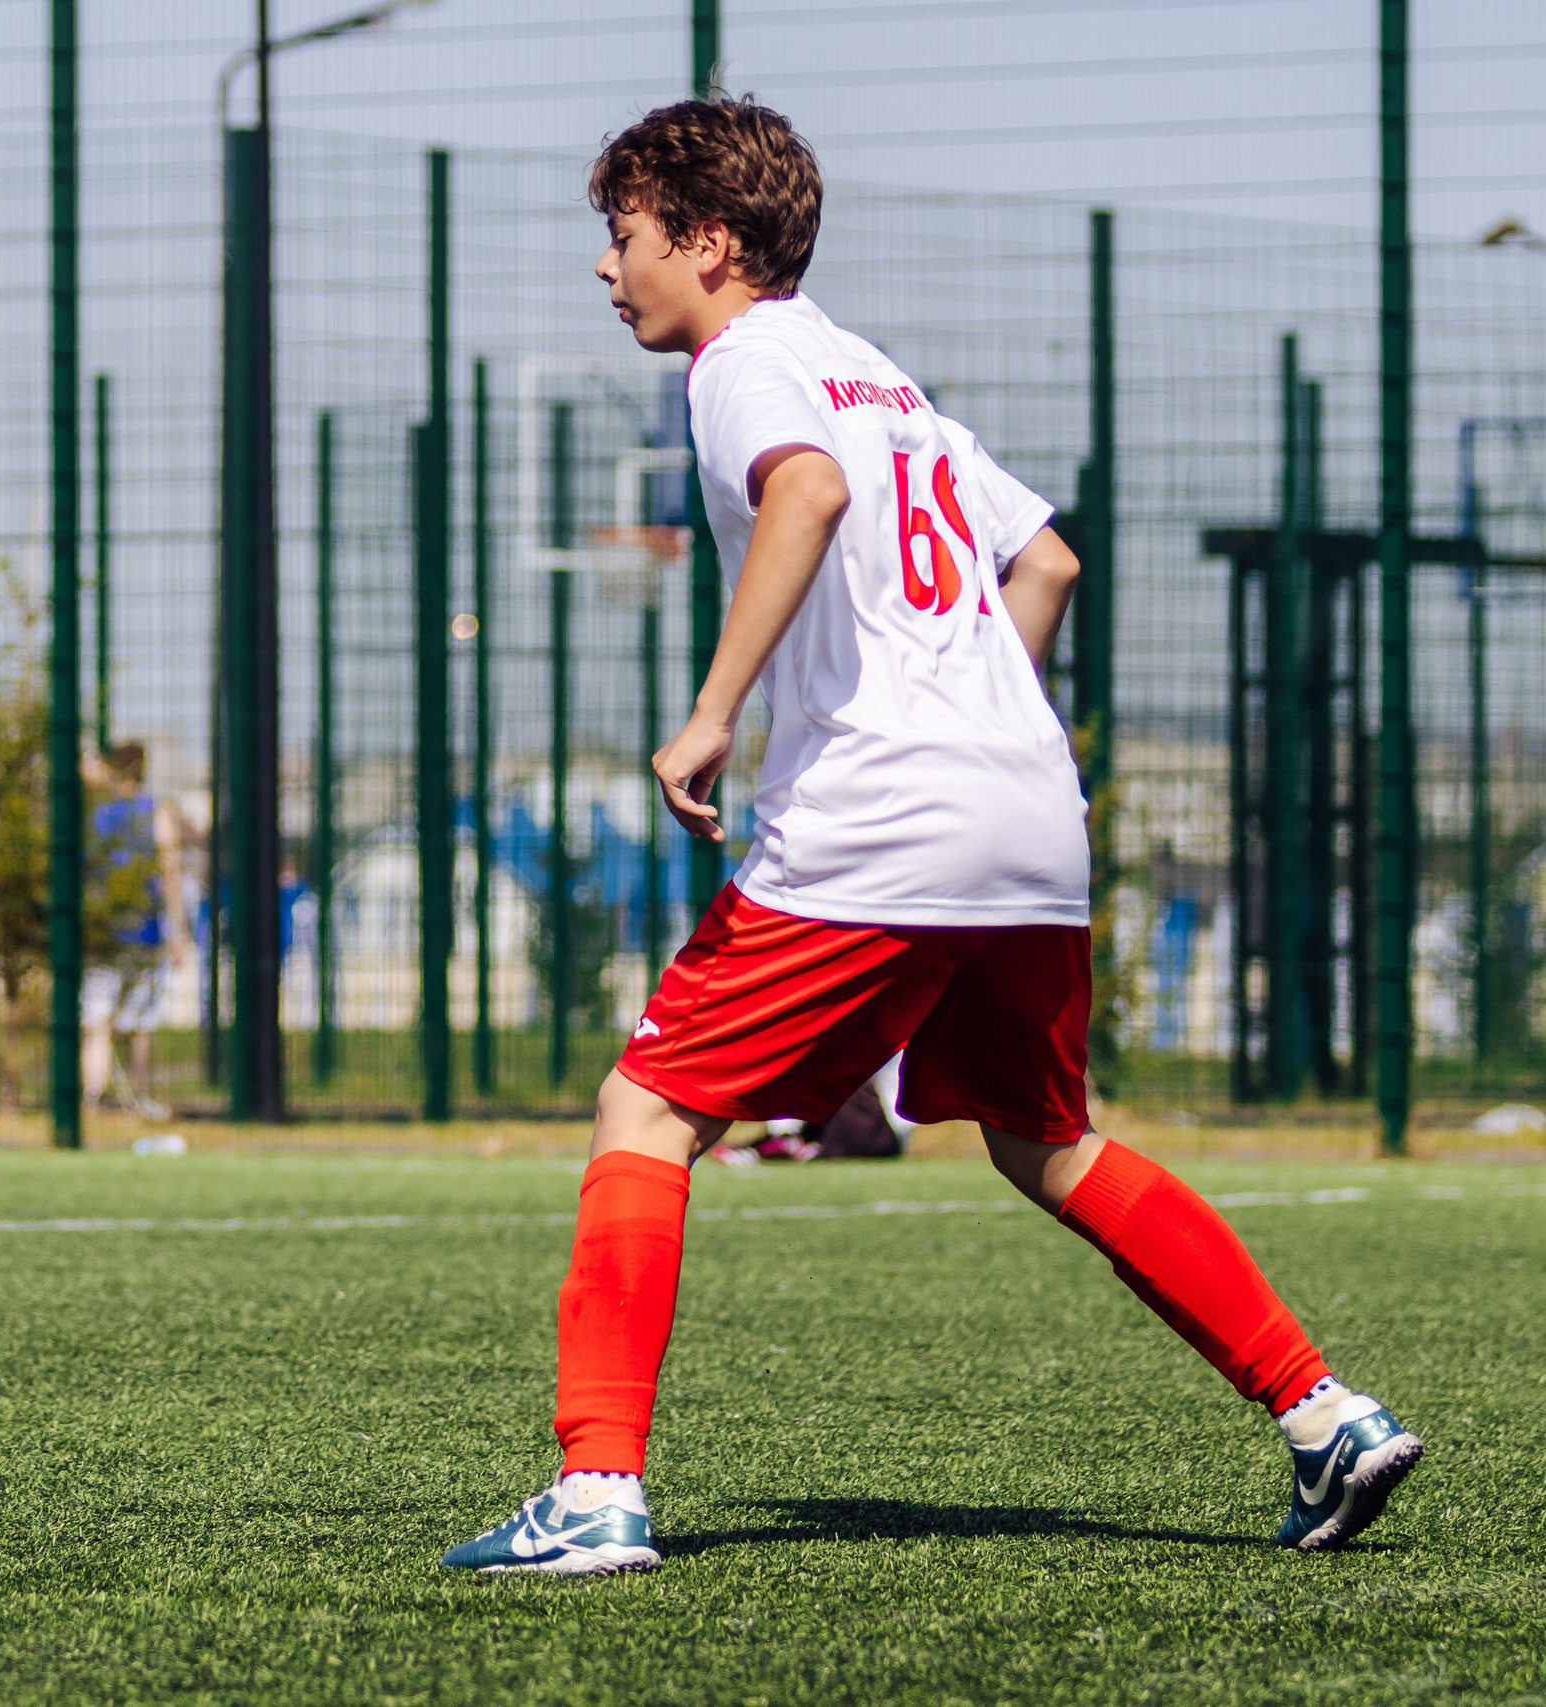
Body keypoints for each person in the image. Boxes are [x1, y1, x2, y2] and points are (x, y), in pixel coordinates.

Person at [441, 99, 1418, 1576]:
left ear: (707, 243)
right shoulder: (885, 377)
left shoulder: (746, 360)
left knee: (646, 1110)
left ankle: (593, 1490)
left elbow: (809, 495)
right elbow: (1051, 558)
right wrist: (973, 715)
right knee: (1048, 1139)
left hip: (883, 815)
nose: (607, 268)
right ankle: (1322, 1409)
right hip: (1028, 810)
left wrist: (715, 712)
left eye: (622, 235)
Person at [82, 742, 179, 1119]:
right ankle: (137, 1097)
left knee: (96, 1020)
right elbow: (170, 871)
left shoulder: (96, 816)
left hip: (104, 929)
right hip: (145, 928)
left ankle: (93, 1097)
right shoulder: (157, 811)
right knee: (141, 1020)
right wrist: (179, 931)